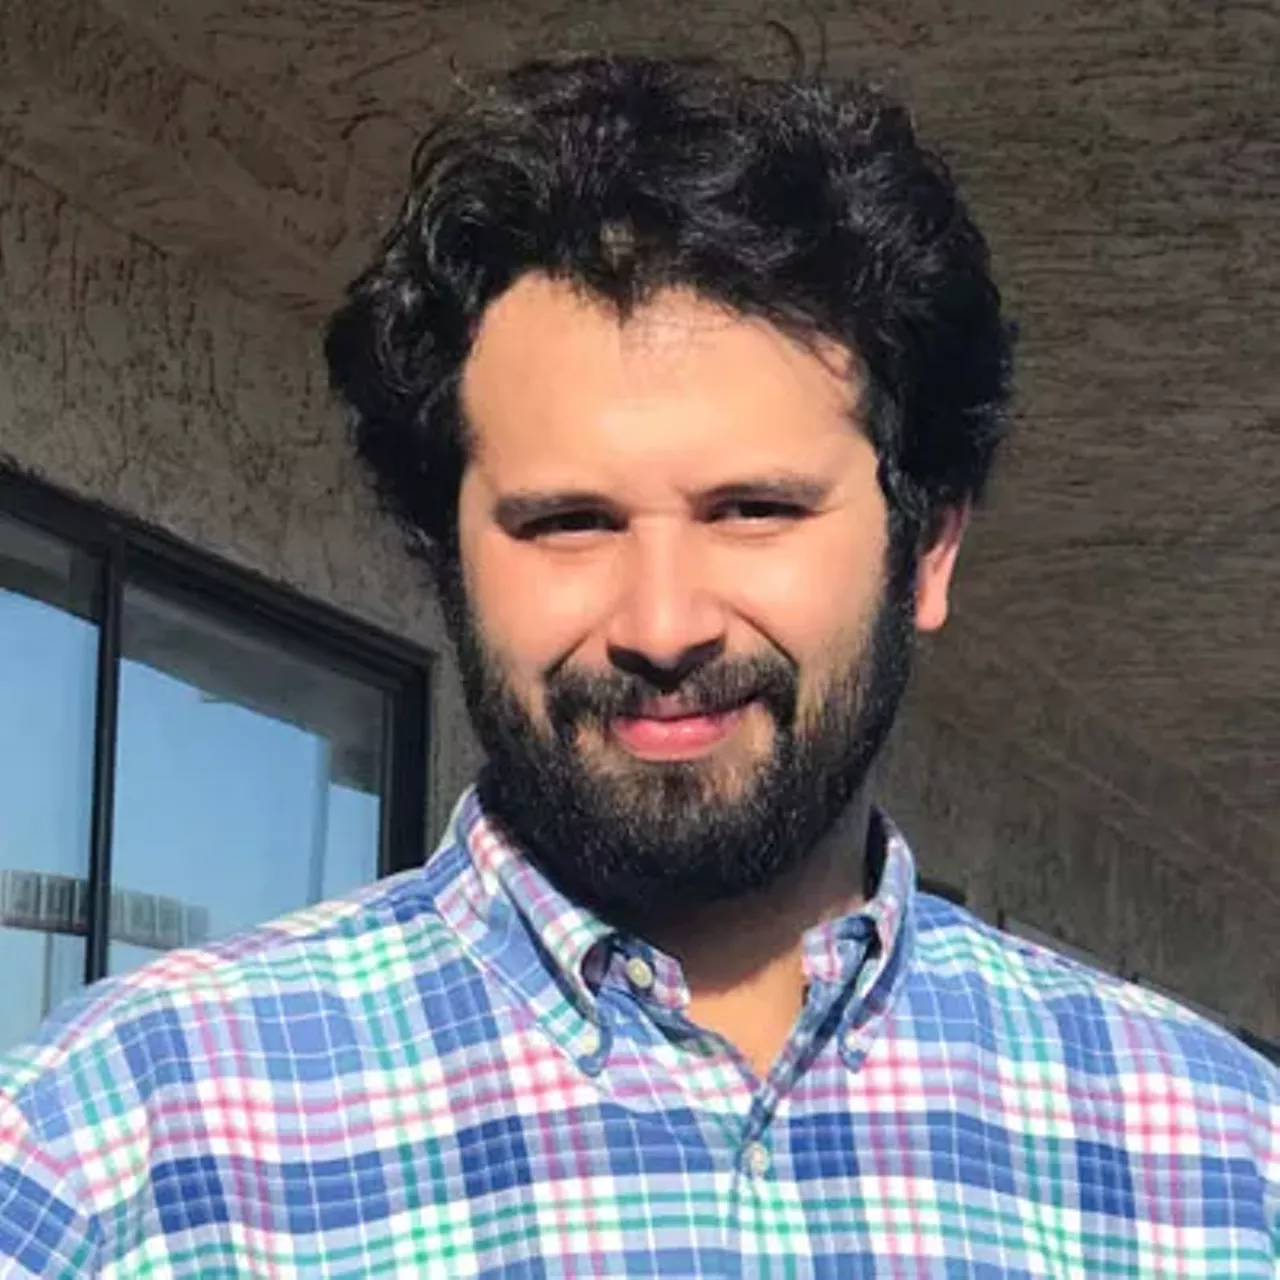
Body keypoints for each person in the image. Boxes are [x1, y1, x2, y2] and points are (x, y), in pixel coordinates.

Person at [1, 53, 1275, 1279]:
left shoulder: (1219, 1160)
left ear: (926, 550)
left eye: (753, 510)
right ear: (445, 560)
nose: (662, 626)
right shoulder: (121, 1143)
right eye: (568, 522)